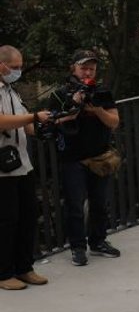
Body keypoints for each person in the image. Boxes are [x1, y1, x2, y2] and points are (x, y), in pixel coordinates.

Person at [48, 49, 121, 267]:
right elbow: (53, 123)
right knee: (75, 205)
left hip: (99, 156)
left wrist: (97, 109)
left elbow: (114, 122)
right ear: (74, 68)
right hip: (73, 158)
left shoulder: (102, 92)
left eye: (91, 68)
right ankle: (78, 247)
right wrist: (74, 106)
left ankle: (98, 241)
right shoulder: (59, 94)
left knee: (100, 202)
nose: (87, 72)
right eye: (83, 68)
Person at [0, 46, 52, 290]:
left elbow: (26, 126)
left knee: (28, 217)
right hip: (2, 171)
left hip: (22, 164)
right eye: (16, 67)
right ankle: (3, 273)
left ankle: (24, 268)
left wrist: (51, 122)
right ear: (2, 66)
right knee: (6, 220)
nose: (18, 71)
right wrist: (33, 117)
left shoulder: (12, 91)